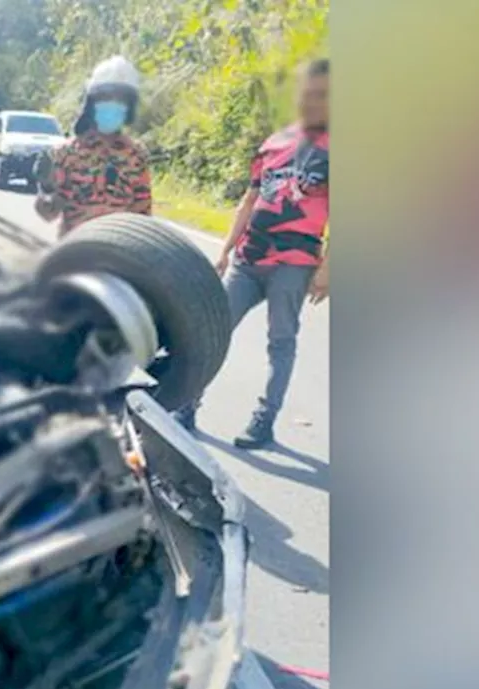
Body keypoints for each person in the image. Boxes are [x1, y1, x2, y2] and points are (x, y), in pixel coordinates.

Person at [176, 58, 329, 449]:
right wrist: (227, 249)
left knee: (281, 341)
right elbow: (249, 199)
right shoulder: (274, 142)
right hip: (247, 259)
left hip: (293, 263)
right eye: (307, 93)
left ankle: (264, 420)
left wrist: (328, 268)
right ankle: (187, 403)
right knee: (214, 331)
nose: (313, 101)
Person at [34, 55, 152, 237]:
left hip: (121, 254)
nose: (113, 103)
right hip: (78, 254)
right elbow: (49, 213)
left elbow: (143, 215)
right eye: (106, 97)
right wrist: (45, 188)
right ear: (91, 103)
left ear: (129, 106)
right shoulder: (66, 153)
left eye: (121, 99)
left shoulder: (136, 156)